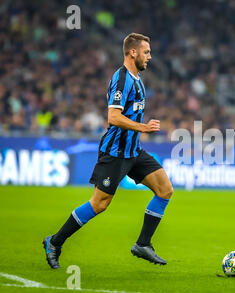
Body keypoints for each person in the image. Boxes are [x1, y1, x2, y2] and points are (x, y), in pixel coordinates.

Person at [43, 33, 174, 268]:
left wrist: (139, 131)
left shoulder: (137, 79)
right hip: (115, 152)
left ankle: (143, 244)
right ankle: (54, 241)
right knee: (99, 204)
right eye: (146, 52)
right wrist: (143, 127)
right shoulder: (122, 79)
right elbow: (113, 117)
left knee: (165, 189)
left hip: (133, 150)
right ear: (132, 52)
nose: (150, 57)